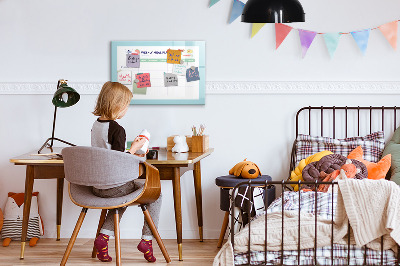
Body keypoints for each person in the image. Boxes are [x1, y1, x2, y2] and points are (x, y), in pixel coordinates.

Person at [91, 81, 161, 263]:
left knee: (122, 197)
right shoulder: (117, 129)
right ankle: (147, 240)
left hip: (97, 186)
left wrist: (130, 150)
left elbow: (108, 154)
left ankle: (103, 238)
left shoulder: (96, 125)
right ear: (117, 105)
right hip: (114, 186)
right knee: (156, 194)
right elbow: (118, 161)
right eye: (127, 105)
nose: (127, 109)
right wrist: (135, 149)